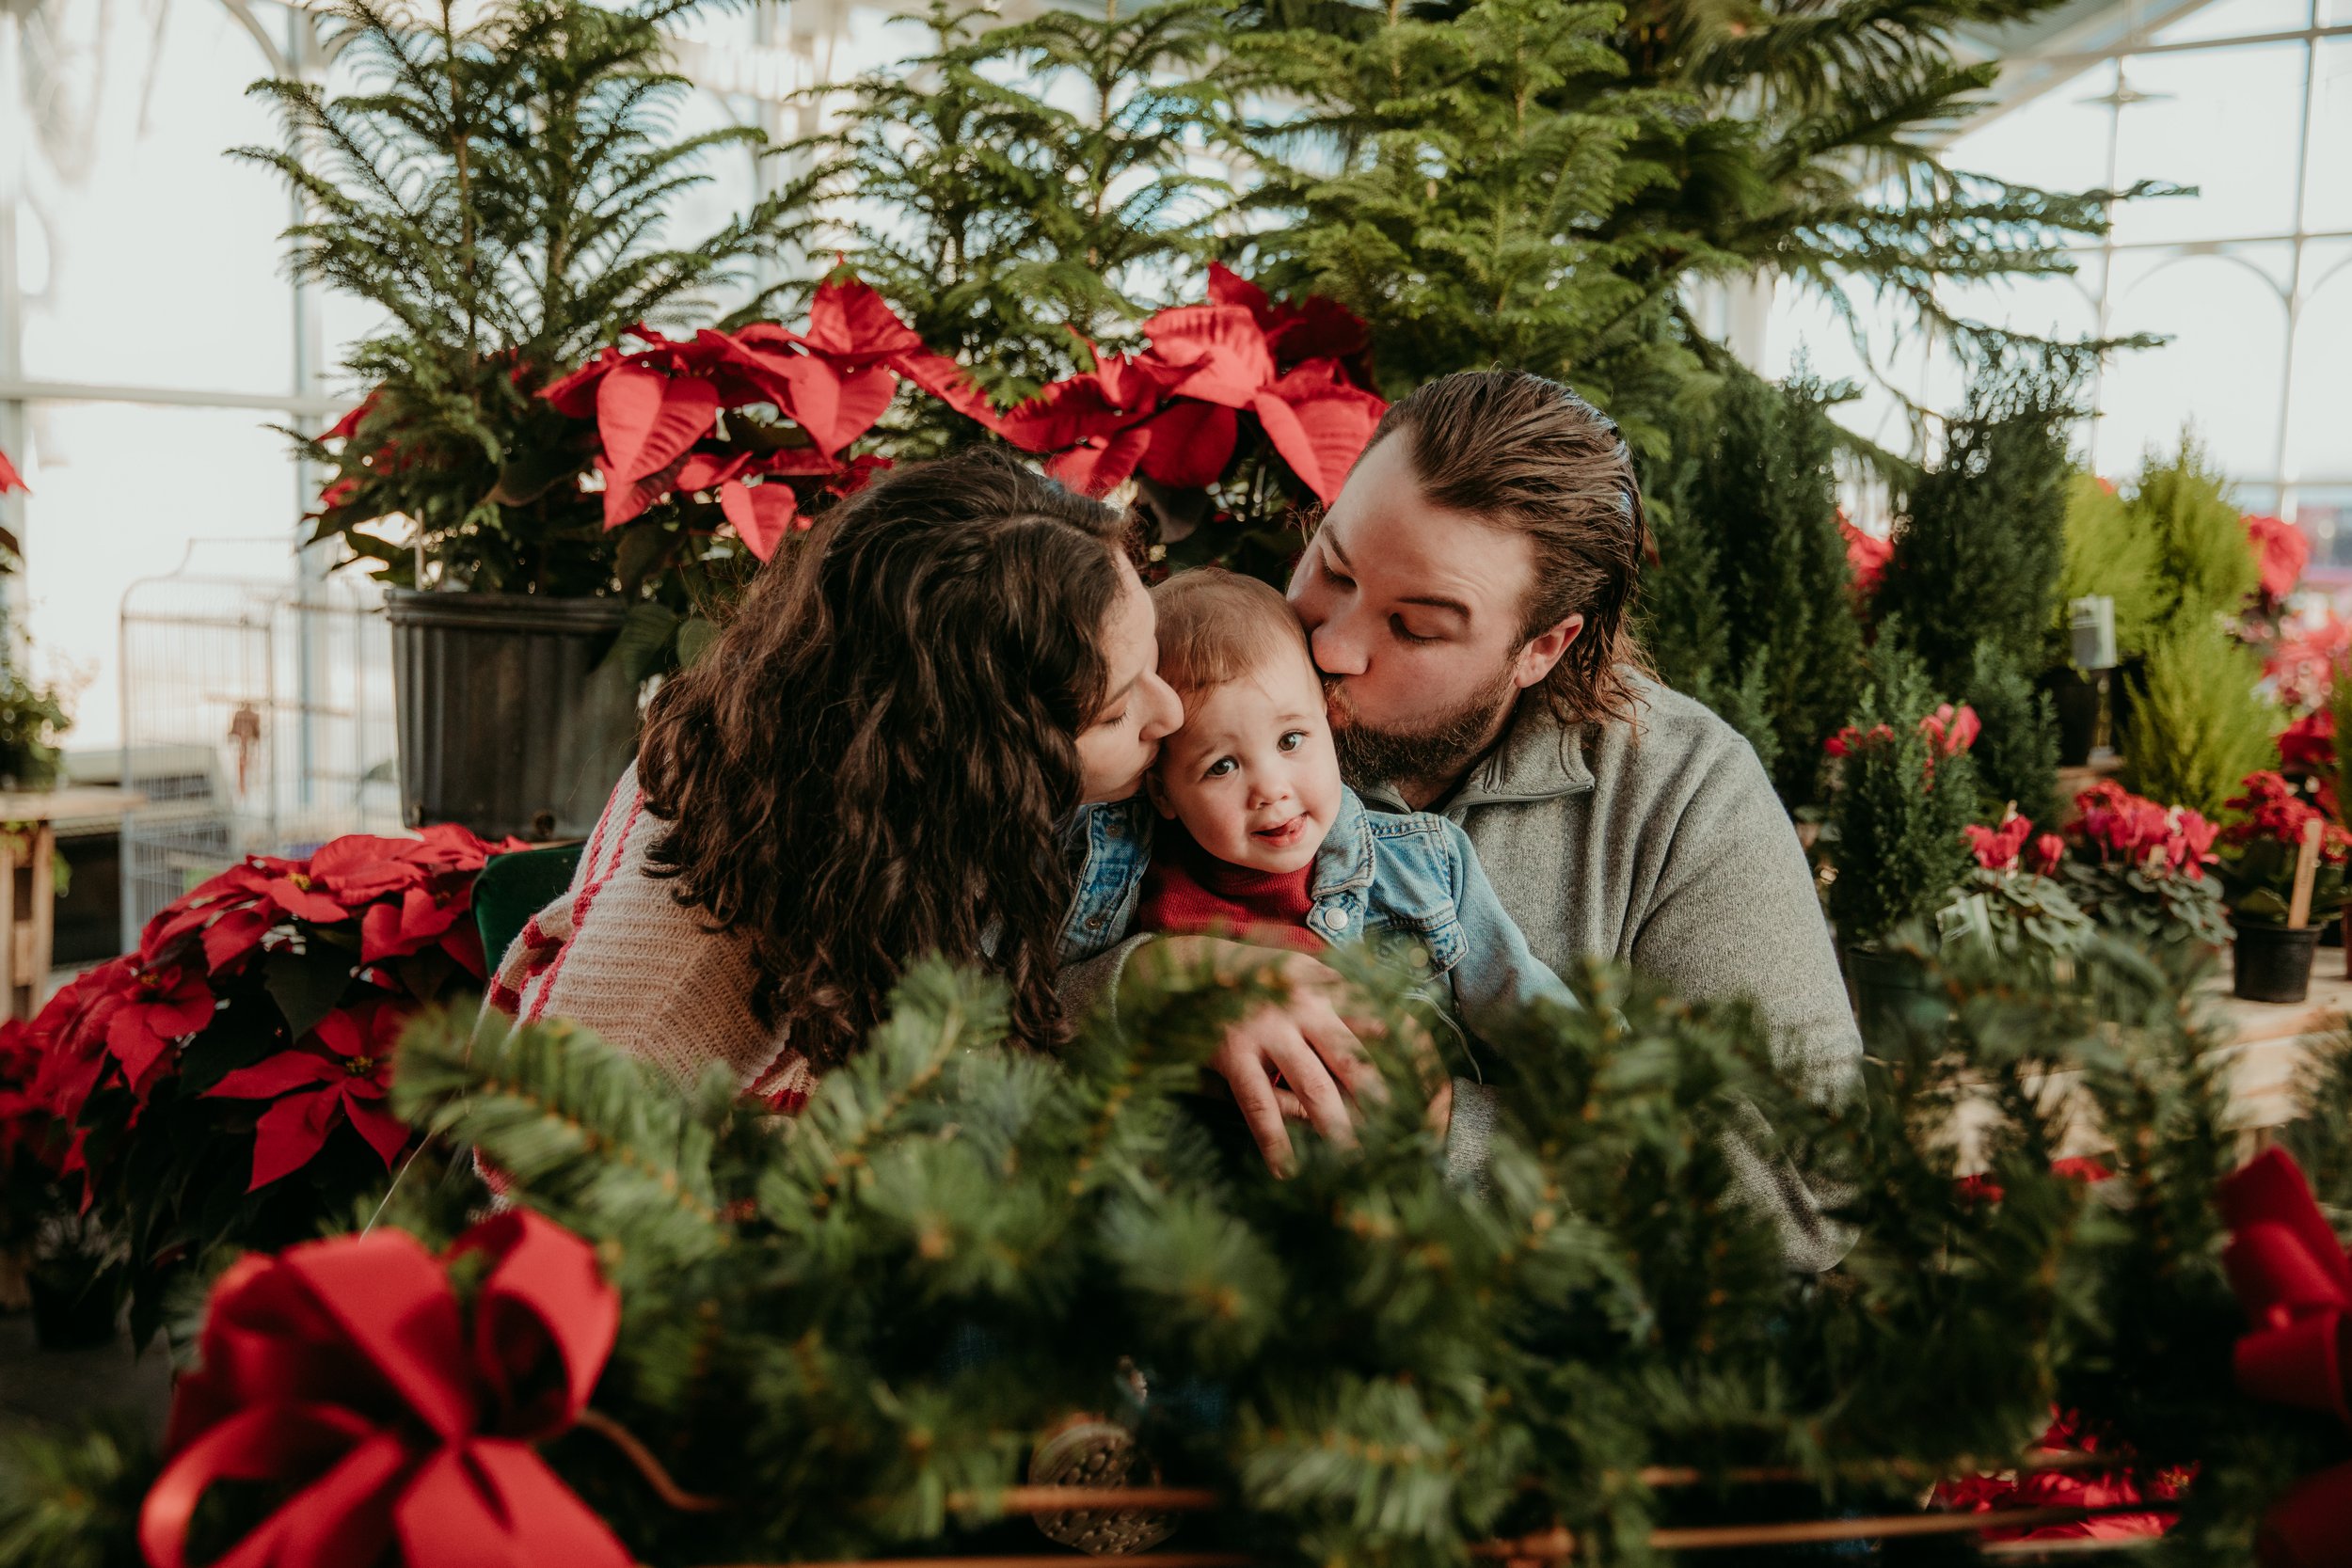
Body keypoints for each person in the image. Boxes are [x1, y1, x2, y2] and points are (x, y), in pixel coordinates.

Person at [1062, 371, 1860, 1268]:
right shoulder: (1180, 700)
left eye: (1415, 627)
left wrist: (1443, 1124)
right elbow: (950, 995)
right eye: (1332, 566)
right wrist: (1152, 984)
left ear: (1541, 648)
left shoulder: (1682, 792)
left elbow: (1806, 1187)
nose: (1330, 645)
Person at [490, 448, 1184, 1101]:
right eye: (1117, 712)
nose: (1172, 712)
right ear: (967, 763)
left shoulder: (883, 813)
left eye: (1153, 657)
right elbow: (537, 1182)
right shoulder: (681, 986)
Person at [1062, 569, 1576, 1155]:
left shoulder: (1419, 866)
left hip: (1378, 1168)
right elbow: (1031, 1011)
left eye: (1290, 741)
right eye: (1221, 766)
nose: (1271, 790)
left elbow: (1518, 999)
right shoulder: (1117, 873)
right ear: (1162, 794)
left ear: (1330, 720)